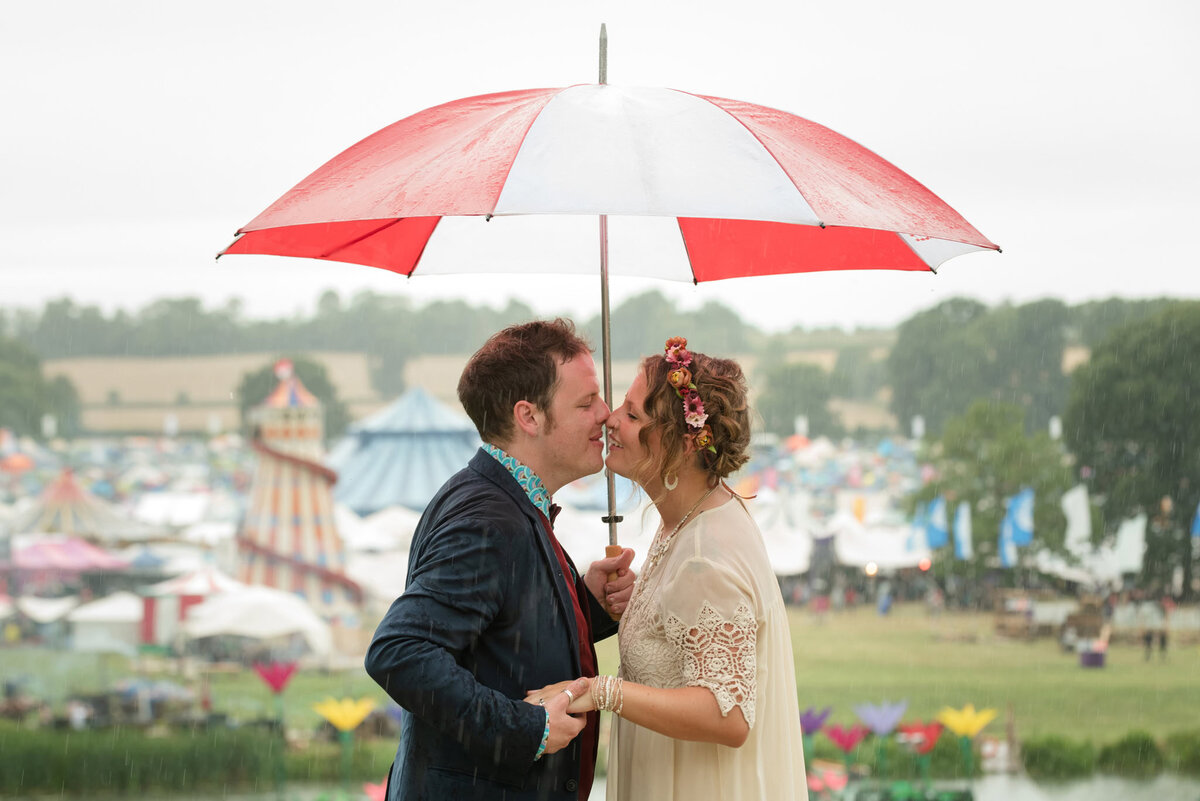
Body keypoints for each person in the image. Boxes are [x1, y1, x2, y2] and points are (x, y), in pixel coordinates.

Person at [365, 319, 636, 801]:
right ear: (529, 417)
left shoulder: (506, 502)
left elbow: (501, 641)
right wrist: (525, 728)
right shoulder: (487, 518)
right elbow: (401, 652)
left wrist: (585, 606)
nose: (606, 415)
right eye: (585, 402)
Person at [529, 337, 807, 800]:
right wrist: (645, 605)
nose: (611, 419)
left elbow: (728, 714)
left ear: (681, 444)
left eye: (633, 415)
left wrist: (603, 693)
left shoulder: (703, 555)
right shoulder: (690, 520)